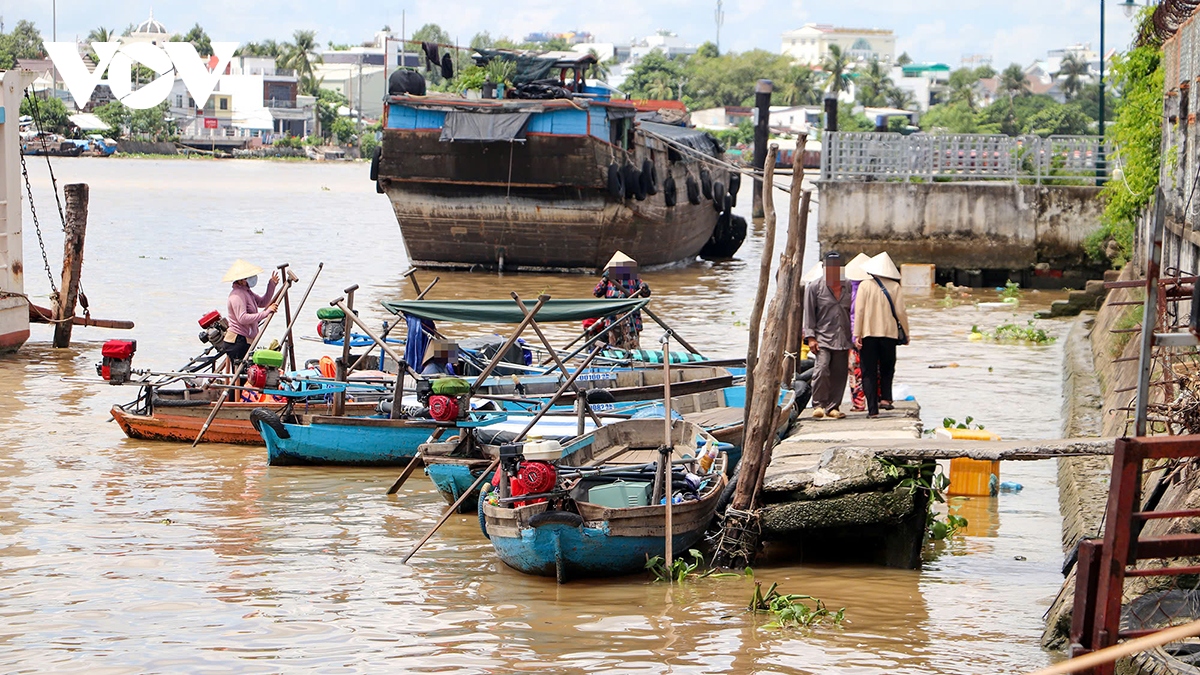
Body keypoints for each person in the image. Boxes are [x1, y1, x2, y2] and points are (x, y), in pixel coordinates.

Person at [854, 252, 910, 418]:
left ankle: (872, 410)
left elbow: (860, 312)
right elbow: (901, 312)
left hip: (868, 333)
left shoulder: (864, 286)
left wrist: (857, 333)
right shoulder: (895, 287)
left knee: (868, 371)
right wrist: (906, 334)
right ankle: (886, 398)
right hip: (889, 334)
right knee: (887, 368)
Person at [803, 252, 853, 419]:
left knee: (839, 373)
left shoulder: (848, 286)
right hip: (822, 337)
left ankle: (833, 406)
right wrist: (810, 337)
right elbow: (809, 314)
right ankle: (818, 404)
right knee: (822, 369)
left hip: (843, 336)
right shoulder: (814, 288)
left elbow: (853, 312)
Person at [221, 259, 278, 367]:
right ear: (242, 280)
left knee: (246, 374)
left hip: (246, 340)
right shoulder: (237, 295)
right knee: (241, 376)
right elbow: (242, 318)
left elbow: (262, 302)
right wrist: (266, 313)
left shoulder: (247, 292)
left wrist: (271, 285)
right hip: (237, 341)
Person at [593, 251, 651, 351]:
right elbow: (596, 293)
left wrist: (644, 288)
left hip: (631, 318)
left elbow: (646, 294)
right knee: (615, 346)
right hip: (613, 319)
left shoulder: (633, 278)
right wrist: (604, 280)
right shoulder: (608, 280)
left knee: (633, 346)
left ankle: (634, 363)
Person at [843, 253, 873, 413]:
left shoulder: (848, 290)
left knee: (855, 370)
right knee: (872, 369)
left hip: (852, 335)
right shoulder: (873, 288)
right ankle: (875, 400)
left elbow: (851, 315)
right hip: (871, 334)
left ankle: (858, 403)